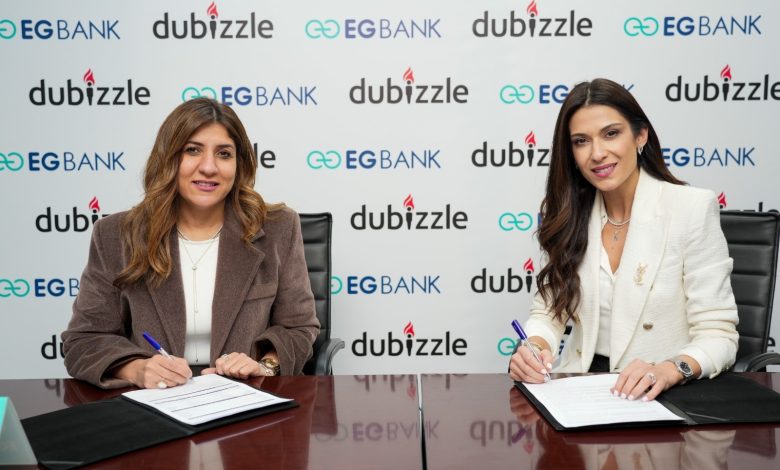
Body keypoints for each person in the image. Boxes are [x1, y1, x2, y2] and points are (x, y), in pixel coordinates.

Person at [62, 97, 320, 389]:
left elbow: (299, 328)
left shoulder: (277, 228)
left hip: (246, 397)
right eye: (192, 150)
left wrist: (264, 365)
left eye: (224, 154)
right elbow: (84, 341)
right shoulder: (116, 235)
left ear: (239, 164)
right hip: (156, 400)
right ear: (168, 158)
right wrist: (137, 369)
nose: (208, 167)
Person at [508, 78, 738, 401]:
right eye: (581, 141)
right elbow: (547, 313)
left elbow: (719, 335)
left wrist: (670, 369)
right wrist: (535, 347)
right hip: (580, 392)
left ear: (640, 136)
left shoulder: (691, 208)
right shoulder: (569, 216)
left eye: (611, 134)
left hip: (661, 395)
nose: (597, 153)